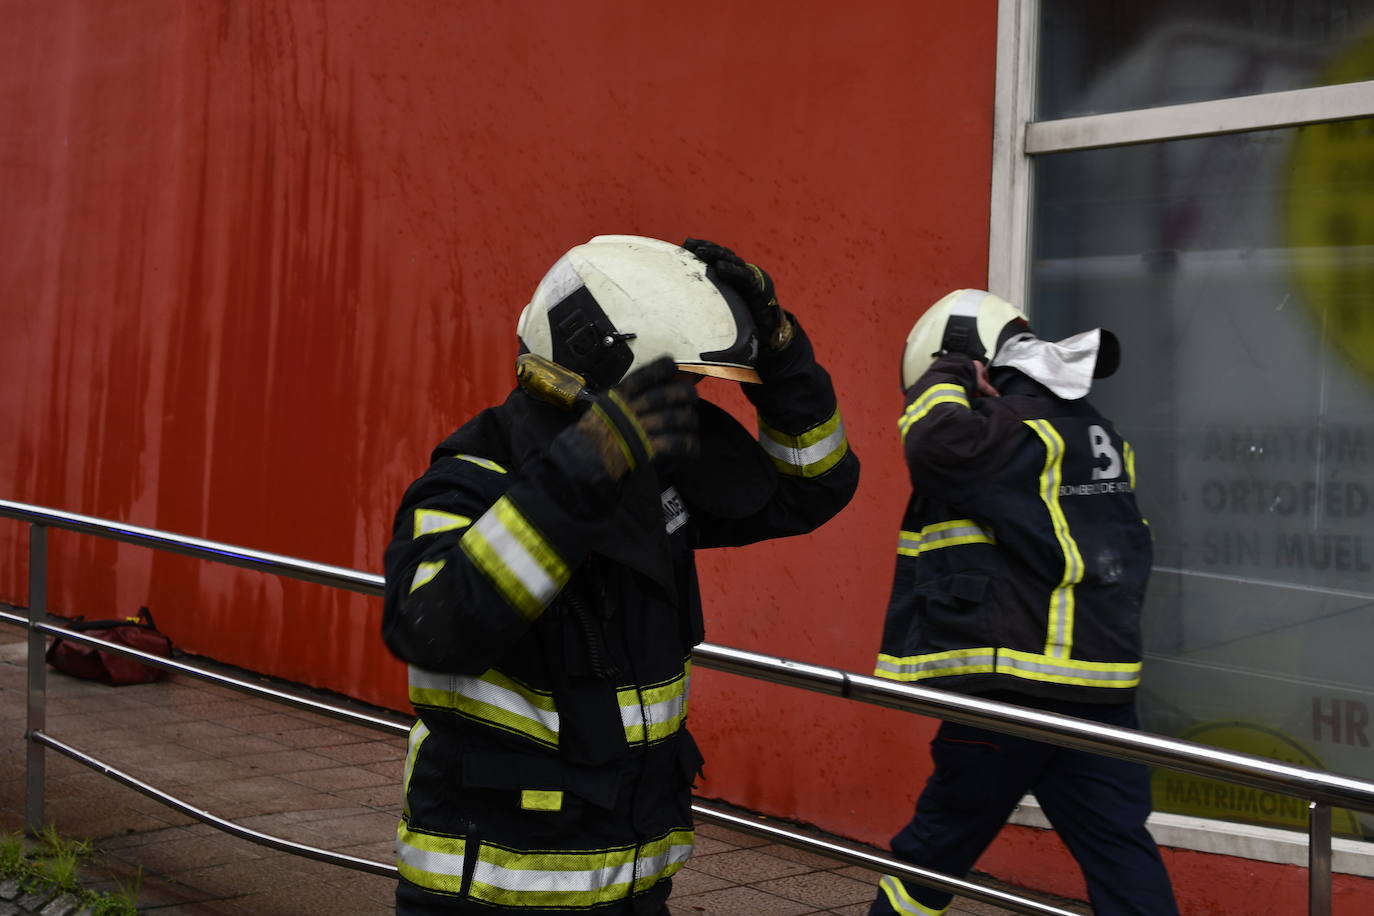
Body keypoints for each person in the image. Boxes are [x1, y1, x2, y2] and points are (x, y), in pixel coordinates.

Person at [381, 235, 859, 915]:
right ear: (604, 361)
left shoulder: (650, 480)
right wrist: (588, 468)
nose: (688, 401)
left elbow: (812, 485)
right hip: (495, 891)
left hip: (633, 879)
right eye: (676, 384)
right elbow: (430, 624)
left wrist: (783, 357)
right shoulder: (472, 477)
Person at [868, 289, 1178, 916]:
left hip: (1013, 691)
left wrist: (950, 369)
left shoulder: (1006, 431)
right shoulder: (1094, 432)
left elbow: (931, 446)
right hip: (1100, 694)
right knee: (1121, 855)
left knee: (934, 849)